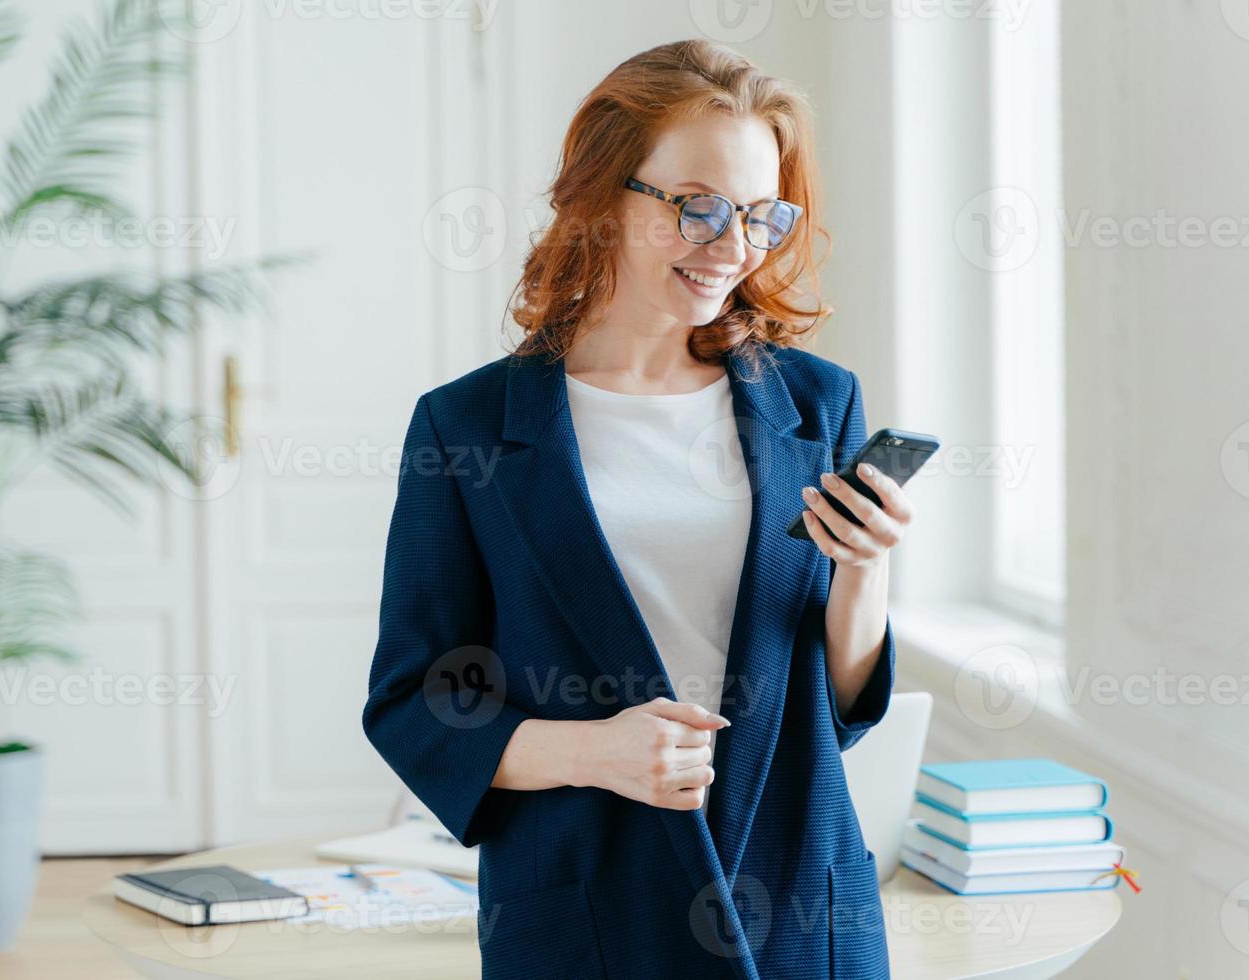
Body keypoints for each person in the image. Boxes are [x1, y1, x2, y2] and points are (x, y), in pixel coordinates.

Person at [363, 38, 913, 980]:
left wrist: (864, 568)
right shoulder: (467, 427)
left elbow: (844, 705)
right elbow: (417, 705)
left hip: (794, 898)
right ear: (603, 193)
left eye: (759, 216)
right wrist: (597, 752)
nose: (732, 248)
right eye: (699, 208)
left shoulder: (820, 406)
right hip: (586, 901)